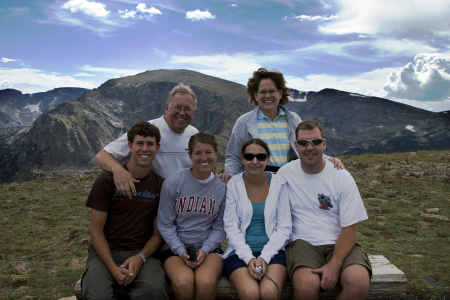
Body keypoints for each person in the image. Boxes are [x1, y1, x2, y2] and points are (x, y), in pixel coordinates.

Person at [277, 120, 371, 300]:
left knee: (358, 281)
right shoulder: (285, 174)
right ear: (296, 146)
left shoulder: (342, 176)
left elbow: (350, 227)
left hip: (339, 241)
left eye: (316, 142)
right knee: (307, 286)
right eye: (303, 143)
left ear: (324, 144)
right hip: (302, 242)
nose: (309, 147)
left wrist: (335, 263)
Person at [82, 121, 168, 300]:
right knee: (97, 296)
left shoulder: (161, 185)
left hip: (141, 253)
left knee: (155, 292)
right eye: (140, 143)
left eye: (150, 144)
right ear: (129, 146)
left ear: (157, 148)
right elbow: (96, 230)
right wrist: (112, 267)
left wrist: (141, 257)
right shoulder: (105, 181)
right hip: (104, 253)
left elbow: (158, 234)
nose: (145, 149)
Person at [222, 68, 342, 182]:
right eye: (262, 92)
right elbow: (233, 156)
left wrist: (327, 159)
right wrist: (230, 176)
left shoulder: (294, 119)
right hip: (256, 183)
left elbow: (306, 146)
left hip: (290, 181)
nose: (267, 96)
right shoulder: (243, 123)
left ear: (280, 93)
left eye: (272, 91)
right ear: (255, 95)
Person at [95, 83, 198, 198]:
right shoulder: (148, 131)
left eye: (188, 109)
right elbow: (101, 156)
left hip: (183, 203)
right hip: (153, 203)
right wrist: (119, 171)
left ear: (194, 112)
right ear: (167, 108)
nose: (182, 113)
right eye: (177, 107)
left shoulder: (194, 135)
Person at [157, 131, 226, 300]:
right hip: (174, 250)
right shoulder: (173, 183)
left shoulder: (223, 188)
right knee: (183, 282)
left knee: (205, 282)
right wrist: (180, 250)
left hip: (209, 249)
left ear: (216, 154)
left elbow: (220, 227)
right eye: (198, 153)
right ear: (189, 155)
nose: (204, 158)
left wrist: (205, 249)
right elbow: (165, 224)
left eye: (208, 152)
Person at [223, 138, 291, 300]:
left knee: (269, 292)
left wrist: (264, 257)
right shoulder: (233, 185)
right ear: (242, 159)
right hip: (238, 253)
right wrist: (249, 258)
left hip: (274, 253)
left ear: (267, 159)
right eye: (249, 156)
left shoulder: (279, 184)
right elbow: (231, 227)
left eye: (260, 157)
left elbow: (284, 227)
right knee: (250, 293)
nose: (255, 161)